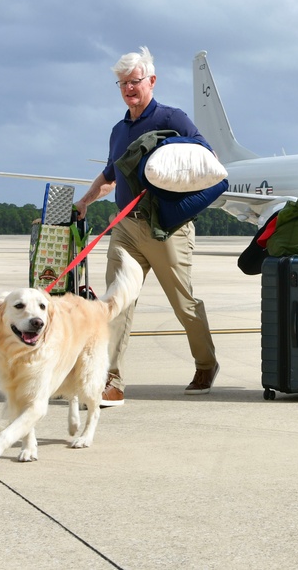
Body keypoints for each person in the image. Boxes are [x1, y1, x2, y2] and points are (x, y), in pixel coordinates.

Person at [75, 46, 220, 406]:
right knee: (116, 301)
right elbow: (110, 176)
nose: (128, 88)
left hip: (167, 229)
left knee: (183, 304)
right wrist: (84, 201)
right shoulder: (118, 130)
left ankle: (206, 363)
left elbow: (207, 159)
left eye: (135, 81)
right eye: (122, 83)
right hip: (126, 228)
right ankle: (111, 380)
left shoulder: (173, 118)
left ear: (151, 81)